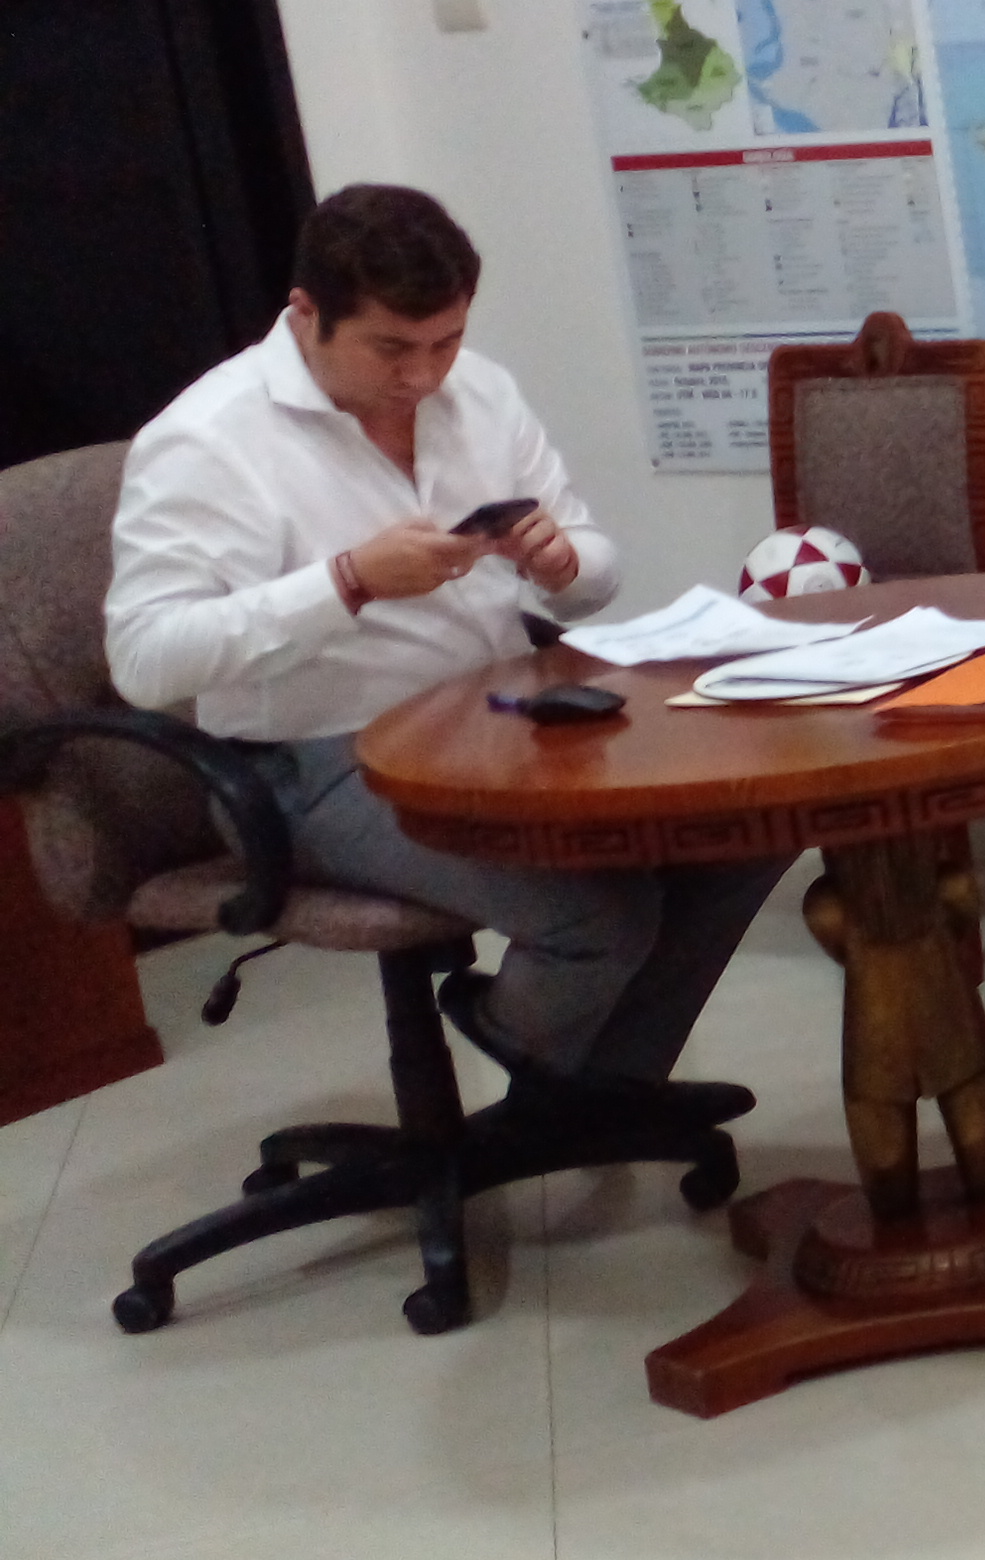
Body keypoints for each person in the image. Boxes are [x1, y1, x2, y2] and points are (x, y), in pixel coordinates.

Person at [104, 184, 789, 1112]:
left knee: (747, 823)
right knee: (601, 916)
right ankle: (550, 1072)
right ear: (305, 315)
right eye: (392, 349)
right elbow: (144, 661)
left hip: (504, 716)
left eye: (446, 342)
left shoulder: (481, 392)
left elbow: (591, 572)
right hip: (315, 761)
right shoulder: (205, 441)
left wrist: (563, 561)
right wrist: (347, 582)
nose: (424, 376)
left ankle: (590, 1095)